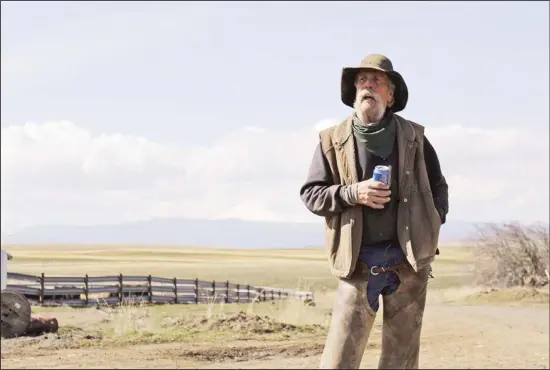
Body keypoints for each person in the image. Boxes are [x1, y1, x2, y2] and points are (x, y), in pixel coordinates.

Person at [300, 54, 449, 369]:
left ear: (391, 94)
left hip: (407, 265)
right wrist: (354, 193)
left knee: (402, 359)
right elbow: (311, 195)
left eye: (377, 80)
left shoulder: (415, 138)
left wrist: (432, 225)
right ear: (354, 92)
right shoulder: (332, 141)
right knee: (339, 360)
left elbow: (438, 187)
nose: (368, 86)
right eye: (362, 81)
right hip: (358, 265)